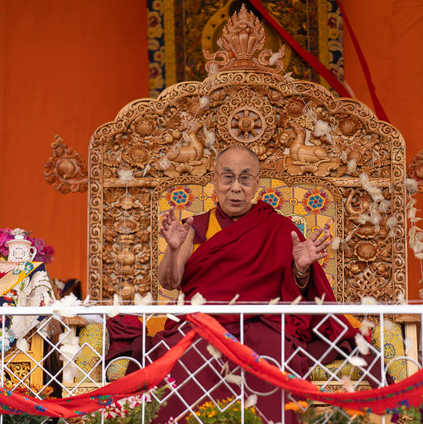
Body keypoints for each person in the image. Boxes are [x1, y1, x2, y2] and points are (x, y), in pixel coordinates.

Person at [150, 145, 360, 423]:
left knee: (274, 357)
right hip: (204, 324)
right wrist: (174, 250)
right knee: (182, 357)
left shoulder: (278, 227)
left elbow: (297, 293)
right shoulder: (195, 227)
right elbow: (170, 281)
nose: (236, 187)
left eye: (245, 178)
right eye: (227, 177)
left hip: (264, 322)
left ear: (257, 183)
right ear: (215, 181)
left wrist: (300, 268)